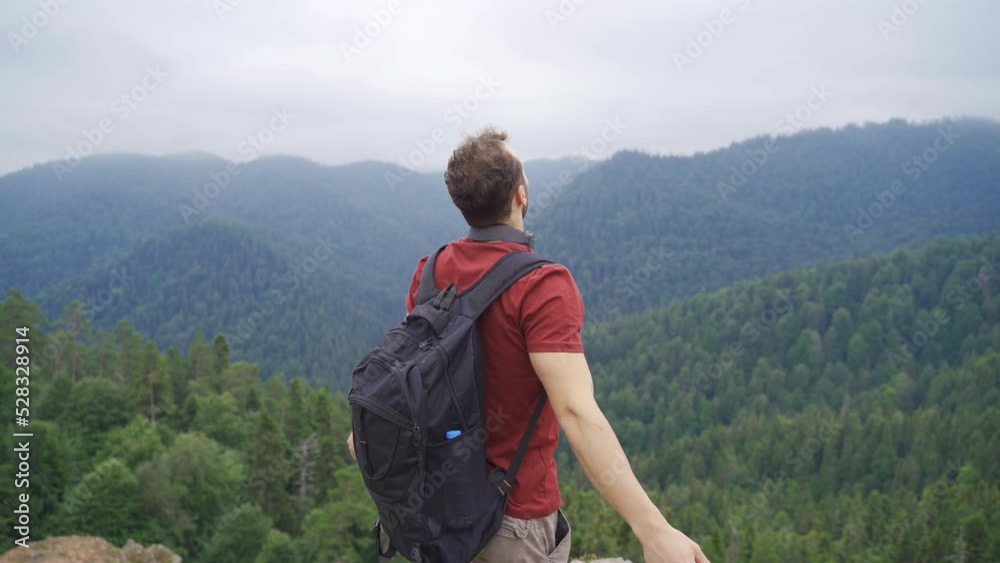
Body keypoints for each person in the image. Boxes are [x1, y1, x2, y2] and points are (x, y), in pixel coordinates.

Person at [348, 127, 709, 563]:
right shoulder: (542, 285)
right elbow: (575, 412)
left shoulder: (432, 269)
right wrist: (654, 531)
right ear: (521, 194)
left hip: (437, 509)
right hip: (511, 518)